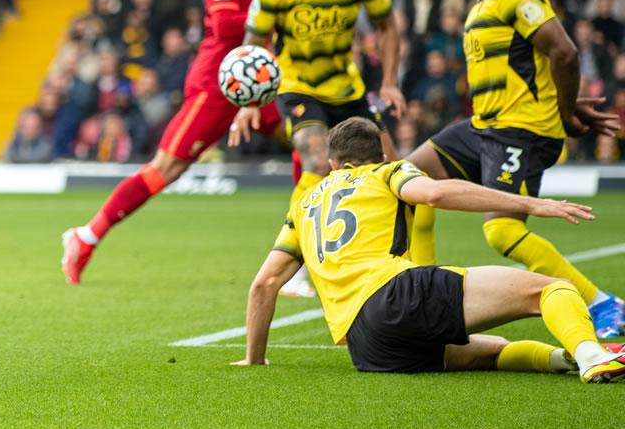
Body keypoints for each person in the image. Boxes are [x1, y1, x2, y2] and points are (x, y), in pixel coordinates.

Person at [235, 118, 625, 383]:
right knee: (552, 290)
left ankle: (565, 359)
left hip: (366, 344)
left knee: (489, 353)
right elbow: (435, 193)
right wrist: (531, 204)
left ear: (334, 164)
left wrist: (255, 357)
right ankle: (592, 356)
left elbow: (264, 284)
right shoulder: (387, 171)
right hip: (396, 294)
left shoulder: (303, 204)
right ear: (382, 154)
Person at [404, 0, 625, 338]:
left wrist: (563, 115)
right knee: (408, 182)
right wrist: (565, 101)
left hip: (520, 130)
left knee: (501, 231)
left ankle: (602, 304)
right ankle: (422, 296)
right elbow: (533, 65)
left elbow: (563, 52)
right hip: (483, 125)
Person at [60, 0, 285, 284]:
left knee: (309, 143)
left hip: (260, 80)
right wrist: (276, 10)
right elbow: (223, 21)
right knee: (166, 168)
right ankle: (86, 235)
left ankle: (305, 257)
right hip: (219, 84)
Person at [230, 0, 406, 298]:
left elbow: (389, 26)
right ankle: (296, 265)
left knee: (394, 167)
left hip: (347, 88)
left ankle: (401, 261)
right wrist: (249, 103)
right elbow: (253, 41)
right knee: (315, 158)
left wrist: (390, 81)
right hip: (297, 87)